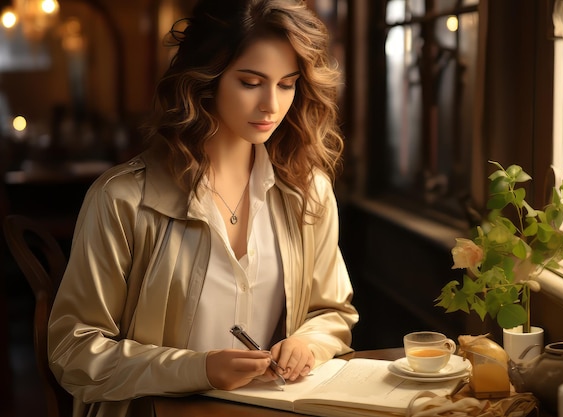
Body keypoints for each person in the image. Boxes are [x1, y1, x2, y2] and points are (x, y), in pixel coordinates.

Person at [47, 1, 359, 416]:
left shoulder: (309, 192)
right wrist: (200, 369)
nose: (272, 104)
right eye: (251, 82)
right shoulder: (122, 199)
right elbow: (74, 349)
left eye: (287, 84)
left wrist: (307, 345)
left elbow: (331, 310)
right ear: (205, 81)